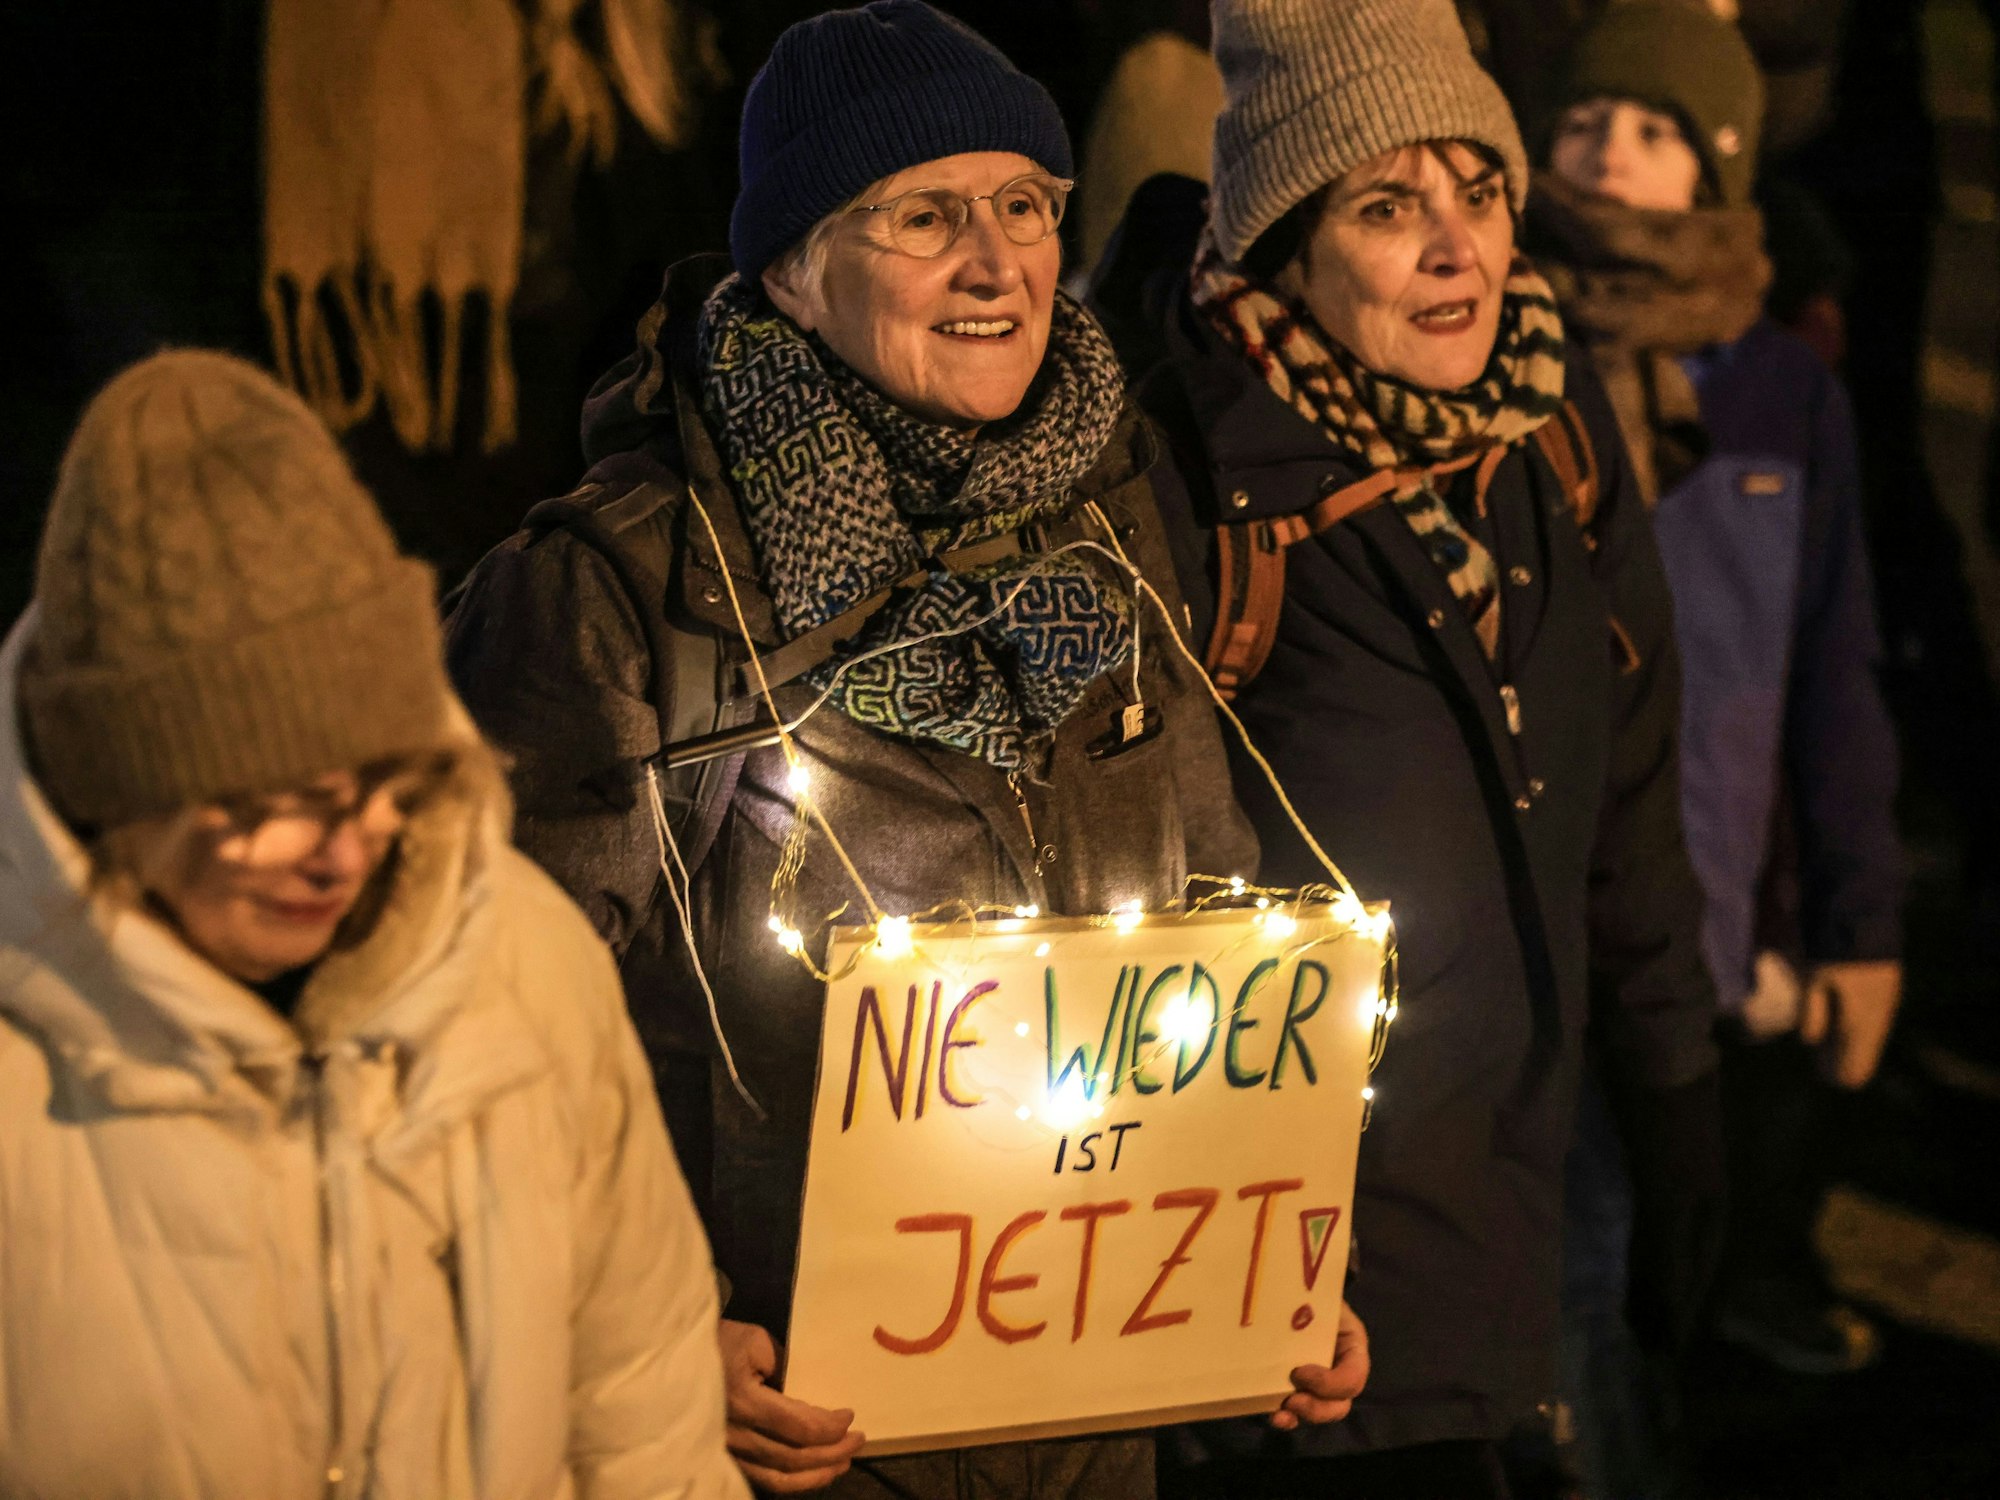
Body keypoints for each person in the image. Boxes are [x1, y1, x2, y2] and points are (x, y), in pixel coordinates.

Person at [444, 4, 1368, 1495]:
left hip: (1088, 1422)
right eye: (924, 215)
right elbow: (478, 1042)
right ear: (795, 269)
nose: (996, 262)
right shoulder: (620, 591)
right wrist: (643, 1324)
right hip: (784, 1439)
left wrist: (1277, 1251)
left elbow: (1212, 915)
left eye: (1025, 206)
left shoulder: (1115, 523)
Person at [1094, 1, 1722, 1494]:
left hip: (1527, 1214)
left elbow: (1627, 800)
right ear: (1283, 247)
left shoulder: (1553, 434)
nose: (1461, 250)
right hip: (1292, 1309)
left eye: (1482, 191)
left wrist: (1682, 1091)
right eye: (1388, 207)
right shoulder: (1182, 479)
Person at [0, 351, 746, 1498]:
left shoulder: (525, 969)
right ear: (121, 789)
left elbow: (645, 1419)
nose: (341, 847)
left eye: (377, 773)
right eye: (266, 796)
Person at [1529, 0, 1903, 1410]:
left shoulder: (1778, 395)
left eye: (1656, 132)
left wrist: (1860, 923)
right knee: (1562, 1296)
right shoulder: (1505, 360)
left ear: (1723, 170)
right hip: (1542, 936)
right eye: (1586, 122)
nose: (1613, 155)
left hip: (1717, 930)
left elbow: (1832, 674)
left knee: (1658, 1269)